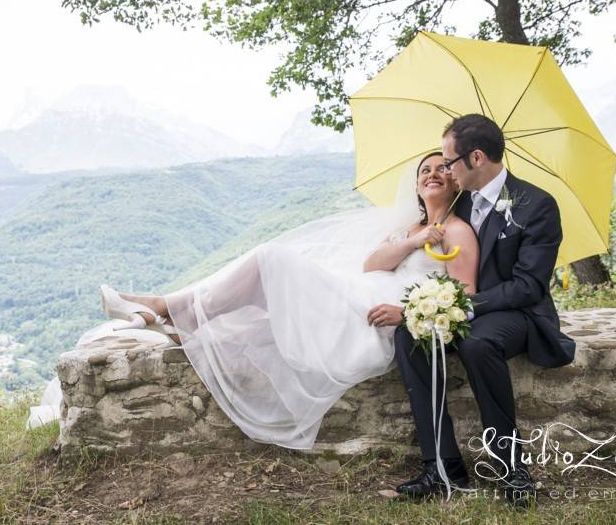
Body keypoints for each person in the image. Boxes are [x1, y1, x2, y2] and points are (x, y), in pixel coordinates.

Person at [94, 151, 479, 451]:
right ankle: (178, 320)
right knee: (265, 308)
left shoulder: (458, 232)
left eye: (443, 168)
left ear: (457, 181)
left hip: (379, 314)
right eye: (425, 169)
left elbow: (465, 298)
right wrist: (413, 241)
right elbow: (371, 264)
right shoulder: (408, 229)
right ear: (415, 185)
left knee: (271, 261)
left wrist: (407, 314)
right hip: (362, 290)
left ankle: (166, 308)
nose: (433, 173)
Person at [393, 114, 576, 508]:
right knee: (408, 334)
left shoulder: (536, 204)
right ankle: (442, 466)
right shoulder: (458, 200)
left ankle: (510, 466)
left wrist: (459, 306)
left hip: (518, 314)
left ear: (476, 158)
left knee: (476, 344)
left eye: (449, 161)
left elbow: (529, 285)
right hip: (470, 309)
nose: (445, 170)